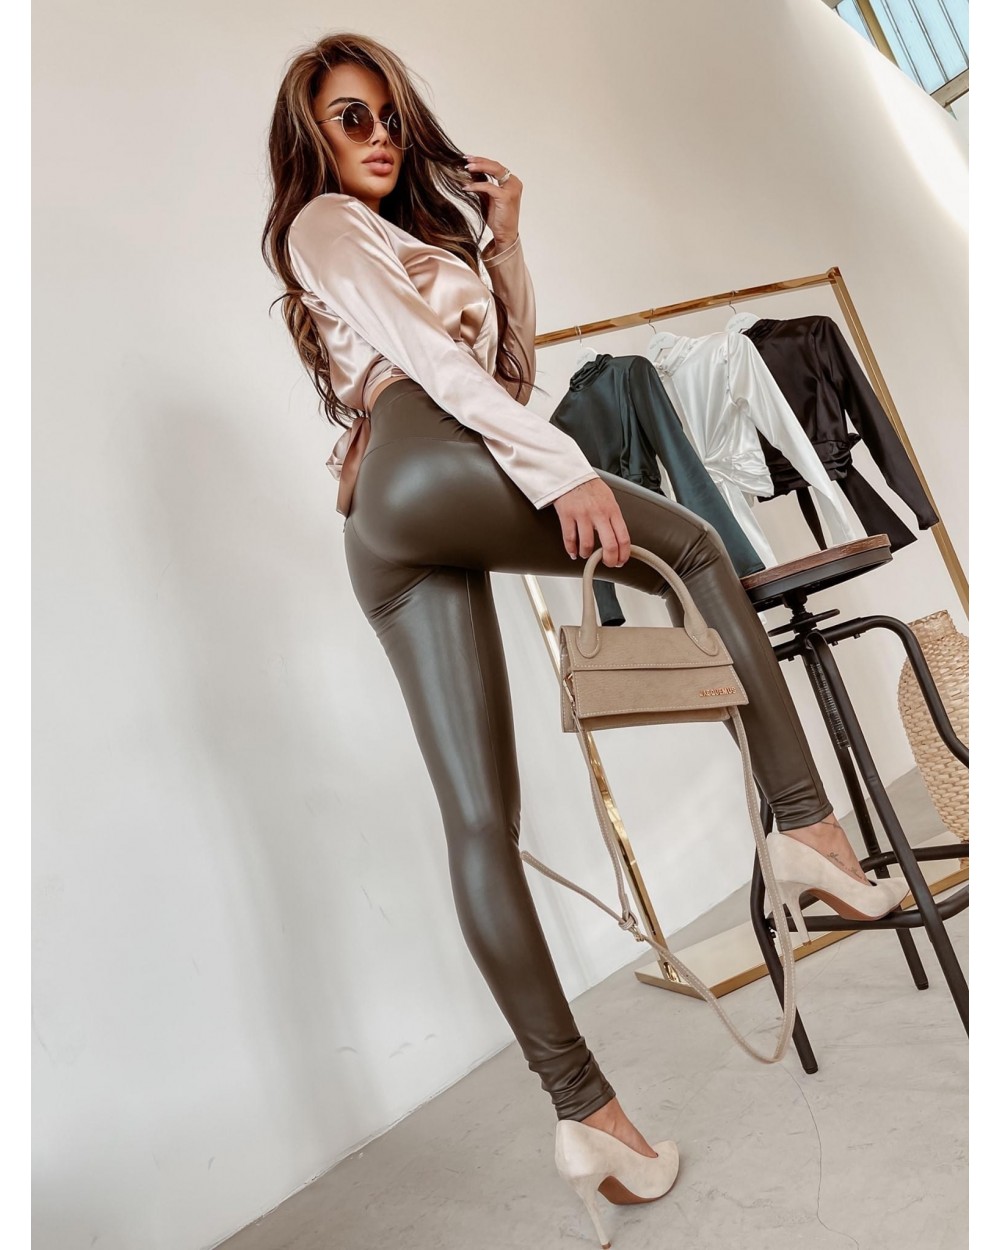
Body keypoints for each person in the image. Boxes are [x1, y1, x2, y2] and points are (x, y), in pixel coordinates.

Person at [261, 31, 910, 1242]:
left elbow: (502, 378)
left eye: (389, 115)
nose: (379, 135)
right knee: (695, 547)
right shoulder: (324, 225)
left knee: (479, 822)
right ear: (310, 137)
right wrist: (562, 470)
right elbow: (440, 376)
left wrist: (504, 241)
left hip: (393, 515)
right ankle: (805, 826)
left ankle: (589, 1117)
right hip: (417, 462)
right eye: (351, 117)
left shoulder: (396, 237)